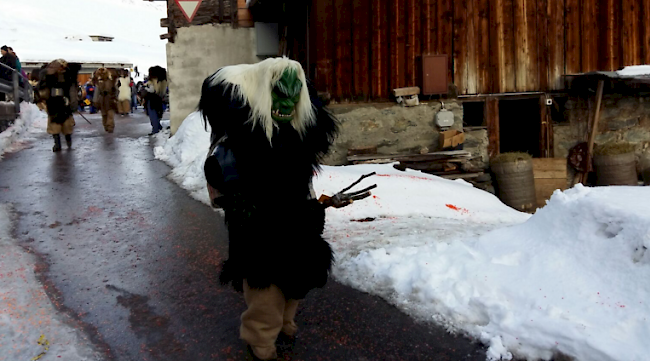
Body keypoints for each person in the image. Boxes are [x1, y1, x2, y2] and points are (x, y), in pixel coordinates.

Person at [200, 57, 338, 361]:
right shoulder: (239, 137)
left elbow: (304, 177)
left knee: (298, 279)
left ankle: (286, 323)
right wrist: (235, 204)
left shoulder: (299, 136)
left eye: (293, 93)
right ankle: (260, 341)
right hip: (257, 227)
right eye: (280, 92)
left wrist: (312, 205)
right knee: (265, 289)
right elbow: (218, 181)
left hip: (297, 221)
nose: (286, 101)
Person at [36, 59, 80, 151]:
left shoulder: (67, 76)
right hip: (57, 103)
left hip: (59, 103)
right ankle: (61, 142)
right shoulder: (51, 76)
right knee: (60, 124)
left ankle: (61, 143)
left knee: (60, 124)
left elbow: (42, 90)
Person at [144, 66, 167, 135]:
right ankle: (157, 127)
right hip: (159, 100)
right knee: (157, 114)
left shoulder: (153, 80)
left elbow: (154, 90)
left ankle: (156, 129)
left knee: (153, 115)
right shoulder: (163, 80)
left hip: (152, 100)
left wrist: (146, 88)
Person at [94, 68, 118, 133]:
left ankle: (110, 126)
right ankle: (106, 126)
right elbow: (97, 91)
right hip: (102, 100)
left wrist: (115, 97)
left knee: (110, 114)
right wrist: (95, 101)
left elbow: (116, 90)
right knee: (104, 114)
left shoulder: (111, 80)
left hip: (110, 99)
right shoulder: (98, 81)